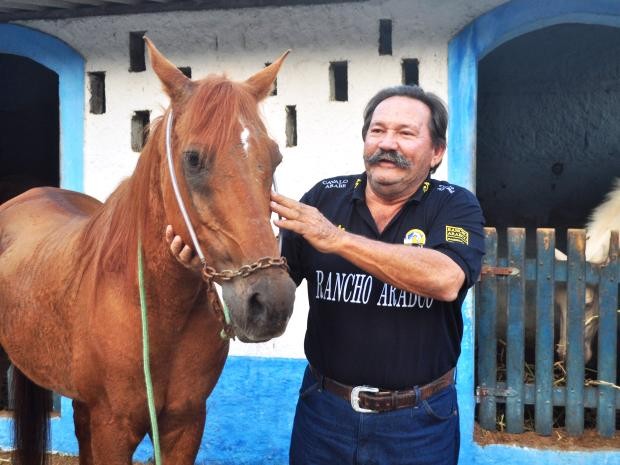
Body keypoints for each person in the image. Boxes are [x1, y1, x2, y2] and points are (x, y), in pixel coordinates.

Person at [167, 85, 485, 465]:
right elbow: (270, 277)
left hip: (417, 421)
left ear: (436, 152)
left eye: (405, 133)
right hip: (324, 414)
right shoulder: (324, 198)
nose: (387, 143)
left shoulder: (454, 204)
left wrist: (335, 238)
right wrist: (208, 272)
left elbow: (446, 279)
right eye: (377, 130)